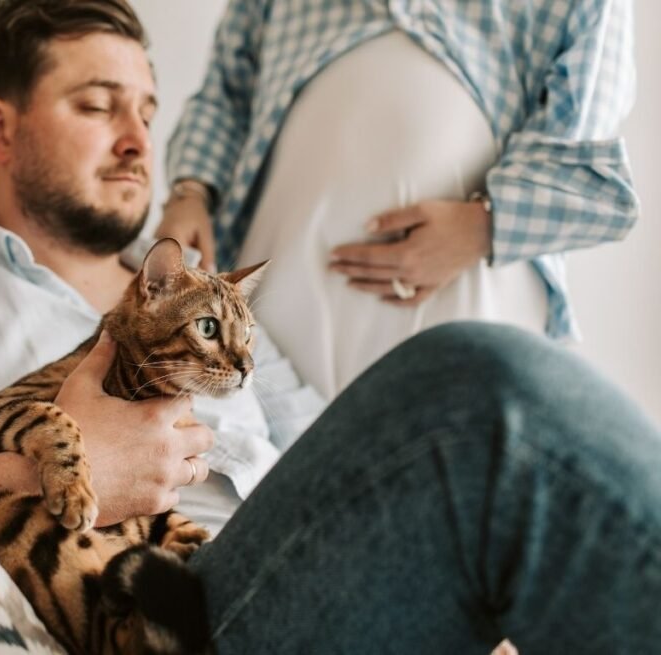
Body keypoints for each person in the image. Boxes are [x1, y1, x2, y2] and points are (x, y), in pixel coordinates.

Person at [0, 1, 661, 653]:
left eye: (147, 107)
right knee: (486, 392)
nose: (142, 140)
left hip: (313, 584)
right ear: (0, 130)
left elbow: (351, 475)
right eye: (98, 106)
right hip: (170, 615)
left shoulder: (221, 317)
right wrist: (33, 471)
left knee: (477, 435)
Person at [160, 0, 639, 401]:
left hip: (467, 301)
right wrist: (191, 190)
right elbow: (226, 93)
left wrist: (486, 225)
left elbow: (584, 160)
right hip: (271, 324)